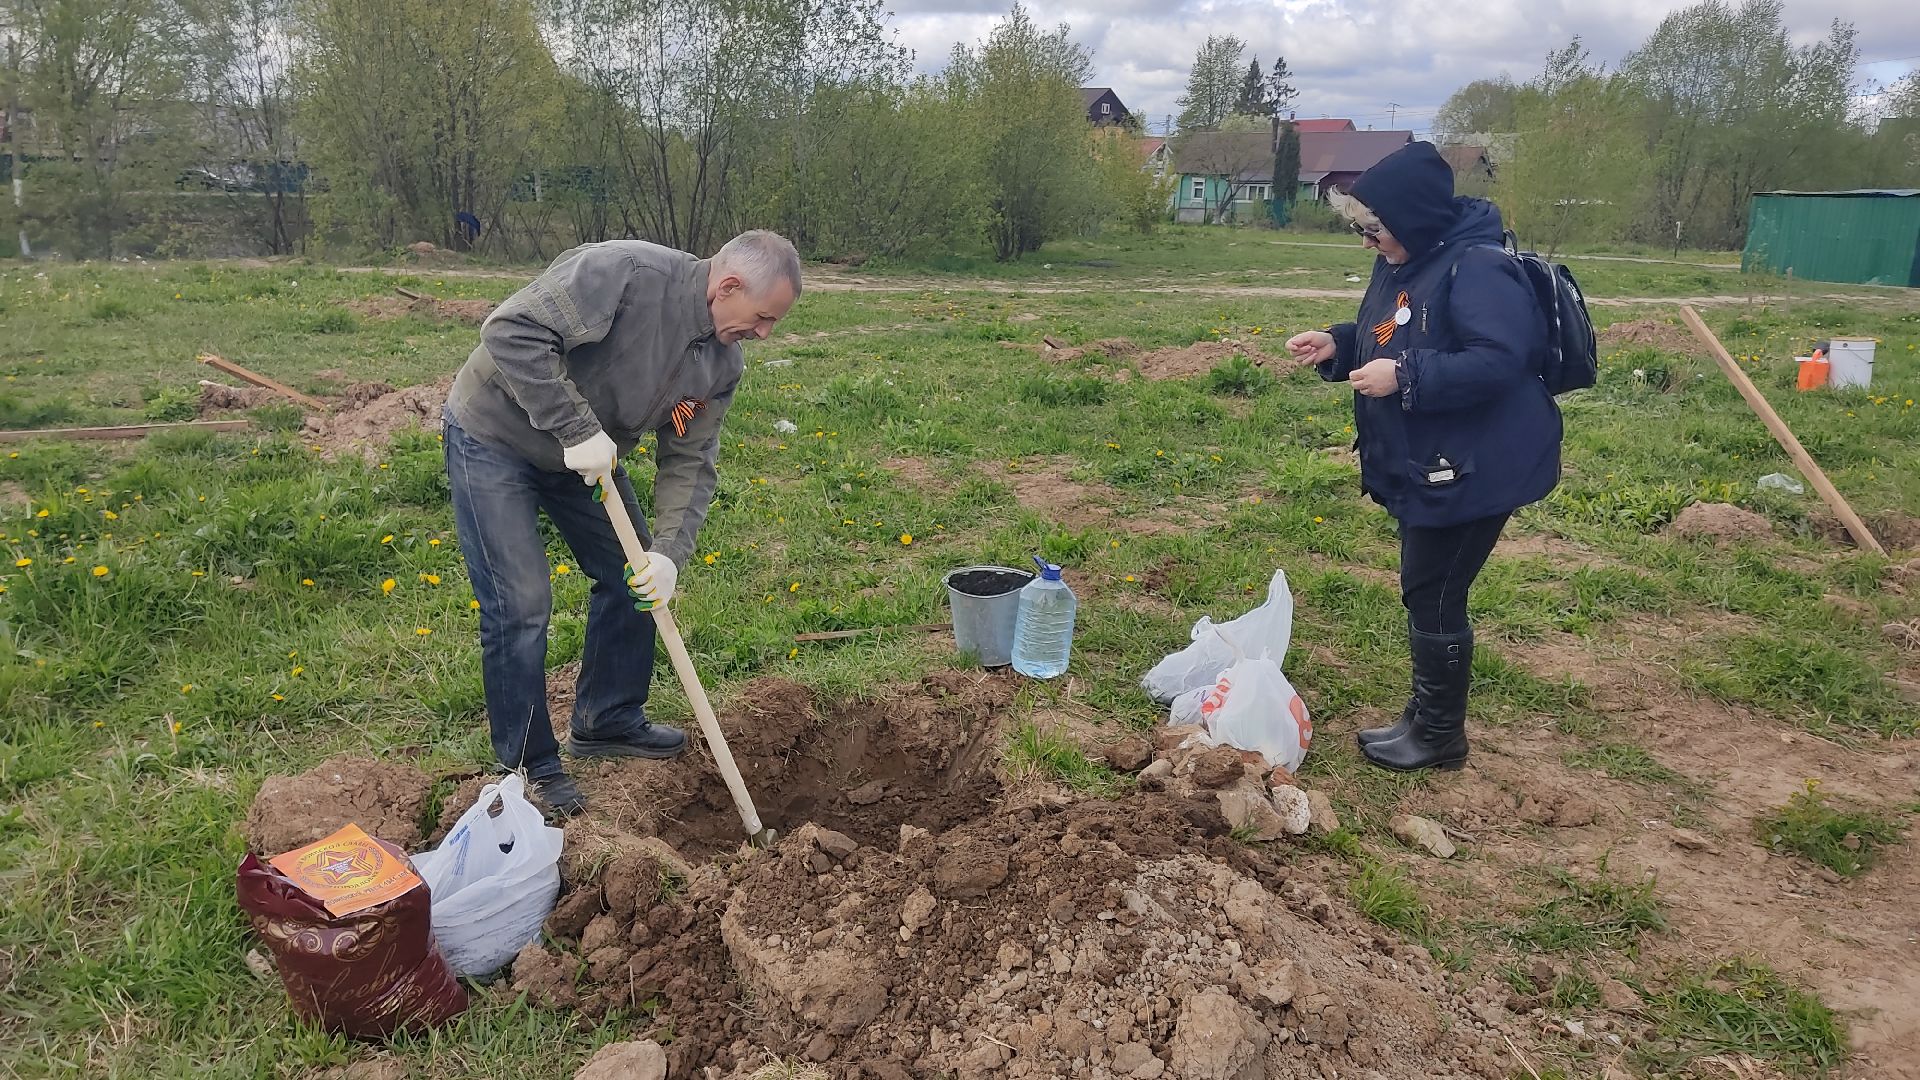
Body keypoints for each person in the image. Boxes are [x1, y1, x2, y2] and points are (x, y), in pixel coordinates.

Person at [443, 231, 801, 815]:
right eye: (762, 318)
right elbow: (510, 331)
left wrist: (666, 555)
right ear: (728, 285)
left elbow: (690, 459)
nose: (764, 334)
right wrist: (577, 428)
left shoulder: (720, 364)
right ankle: (530, 768)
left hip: (585, 460)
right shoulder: (625, 274)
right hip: (494, 436)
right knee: (522, 603)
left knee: (631, 576)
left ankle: (607, 718)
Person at [1285, 142, 1561, 772]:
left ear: (1411, 219)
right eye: (1360, 229)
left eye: (1373, 230)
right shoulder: (1408, 262)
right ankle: (1425, 716)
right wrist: (1339, 343)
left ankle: (1440, 733)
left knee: (1434, 591)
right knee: (1427, 587)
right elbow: (1395, 330)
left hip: (1481, 464)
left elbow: (1500, 360)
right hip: (1434, 460)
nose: (1366, 243)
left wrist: (1405, 376)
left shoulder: (1479, 267)